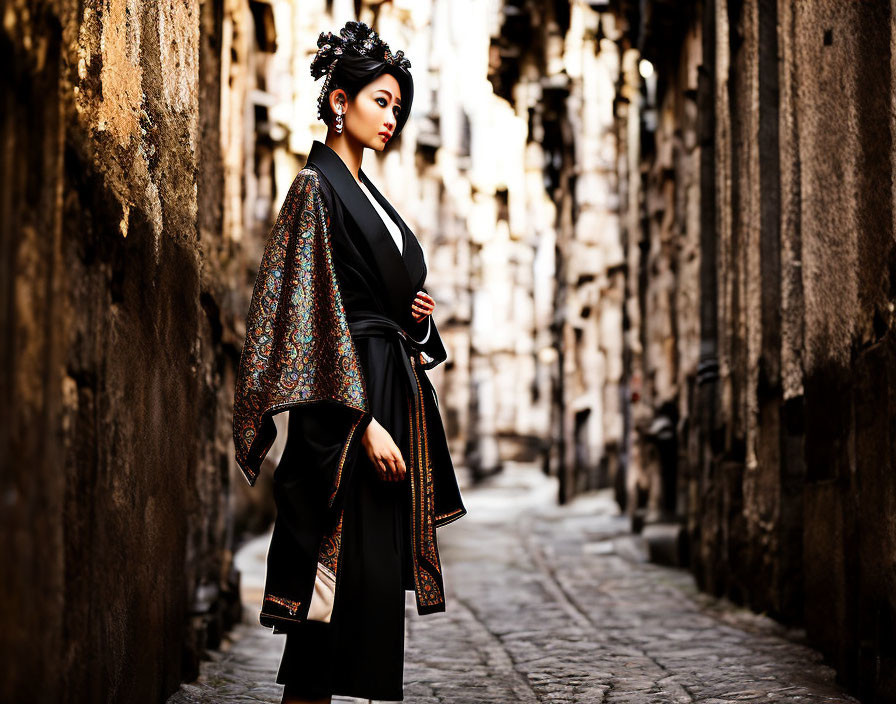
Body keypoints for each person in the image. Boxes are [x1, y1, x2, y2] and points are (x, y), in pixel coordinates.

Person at [231, 20, 467, 704]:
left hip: (387, 393)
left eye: (399, 106)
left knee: (364, 606)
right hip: (346, 422)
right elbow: (305, 317)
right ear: (339, 101)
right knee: (325, 606)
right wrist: (363, 425)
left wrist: (412, 322)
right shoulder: (315, 188)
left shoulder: (370, 197)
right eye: (381, 101)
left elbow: (371, 304)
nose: (393, 117)